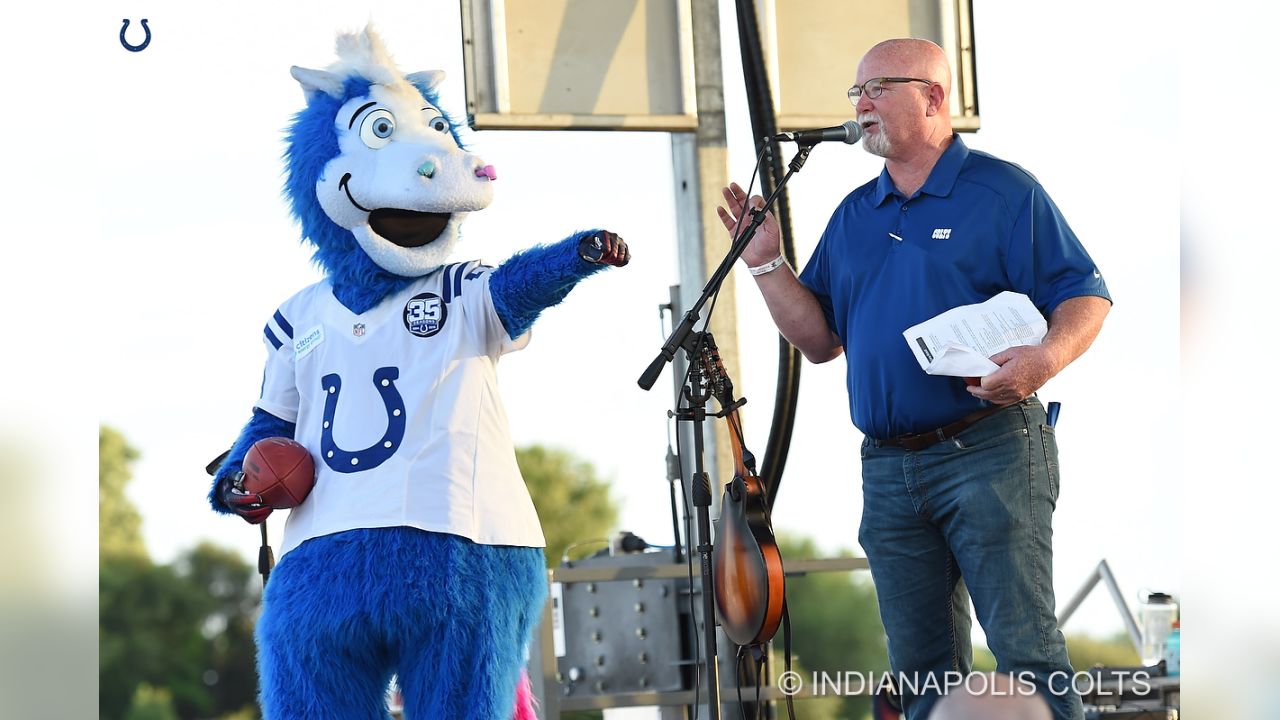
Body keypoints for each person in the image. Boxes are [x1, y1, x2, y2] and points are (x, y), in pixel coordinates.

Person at [716, 38, 1110, 720]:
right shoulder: (853, 215)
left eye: (878, 88)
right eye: (856, 93)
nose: (860, 104)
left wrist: (1043, 360)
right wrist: (765, 264)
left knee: (1027, 655)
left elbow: (1085, 295)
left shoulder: (1002, 191)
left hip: (990, 451)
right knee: (921, 676)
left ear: (934, 97)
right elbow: (816, 340)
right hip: (890, 471)